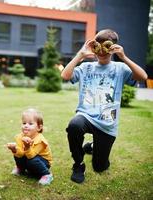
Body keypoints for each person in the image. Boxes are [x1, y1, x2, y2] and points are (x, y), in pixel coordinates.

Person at [61, 29, 148, 184]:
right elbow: (65, 76)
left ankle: (93, 146)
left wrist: (124, 57)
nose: (101, 52)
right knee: (74, 125)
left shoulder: (120, 69)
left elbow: (143, 77)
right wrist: (80, 55)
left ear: (113, 48)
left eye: (106, 48)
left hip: (107, 122)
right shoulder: (86, 67)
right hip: (85, 115)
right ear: (94, 47)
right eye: (98, 47)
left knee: (100, 167)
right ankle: (78, 164)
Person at [6, 108, 53, 185]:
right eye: (24, 123)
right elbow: (20, 154)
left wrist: (27, 146)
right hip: (30, 158)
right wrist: (14, 149)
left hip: (43, 162)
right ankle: (21, 168)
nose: (26, 126)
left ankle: (46, 174)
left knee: (32, 160)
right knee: (18, 156)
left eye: (30, 124)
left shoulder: (40, 140)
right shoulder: (19, 137)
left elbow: (32, 156)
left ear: (39, 127)